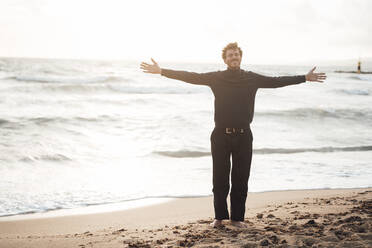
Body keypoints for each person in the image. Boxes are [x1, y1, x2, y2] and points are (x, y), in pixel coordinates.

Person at [140, 42, 326, 228]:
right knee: (219, 179)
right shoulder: (216, 78)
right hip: (220, 135)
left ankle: (237, 219)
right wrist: (162, 71)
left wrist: (304, 78)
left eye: (236, 54)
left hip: (244, 136)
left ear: (241, 57)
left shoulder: (251, 78)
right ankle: (219, 218)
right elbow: (191, 76)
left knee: (241, 179)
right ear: (225, 59)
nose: (233, 57)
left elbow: (276, 81)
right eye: (230, 55)